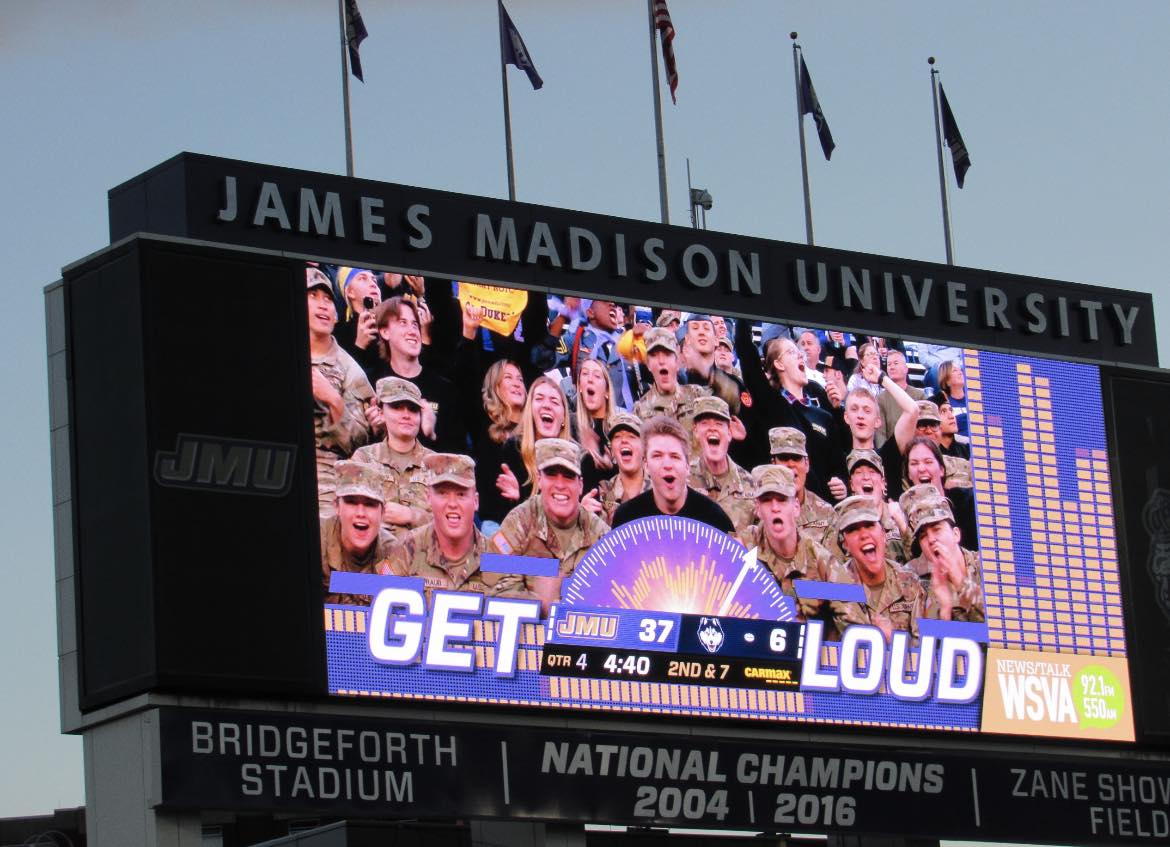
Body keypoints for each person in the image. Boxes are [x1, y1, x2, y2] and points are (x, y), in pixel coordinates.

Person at [379, 454, 525, 603]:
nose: (452, 504)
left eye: (461, 494)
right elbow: (383, 607)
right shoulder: (406, 549)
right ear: (428, 498)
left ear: (475, 502)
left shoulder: (498, 557)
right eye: (443, 494)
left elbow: (524, 611)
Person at [491, 438, 609, 612]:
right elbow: (496, 588)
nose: (560, 485)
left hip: (582, 633)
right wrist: (540, 606)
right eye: (551, 474)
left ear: (581, 485)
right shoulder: (519, 522)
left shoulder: (599, 534)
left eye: (569, 476)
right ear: (539, 480)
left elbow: (614, 595)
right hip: (530, 635)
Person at [737, 464, 851, 634]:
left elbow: (855, 626)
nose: (775, 508)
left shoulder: (822, 562)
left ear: (796, 507)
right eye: (767, 500)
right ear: (758, 509)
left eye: (782, 499)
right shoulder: (742, 549)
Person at [734, 322, 843, 499]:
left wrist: (842, 484)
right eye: (792, 352)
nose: (801, 355)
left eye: (799, 352)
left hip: (821, 513)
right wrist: (745, 314)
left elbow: (839, 463)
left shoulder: (824, 415)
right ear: (778, 364)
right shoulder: (772, 403)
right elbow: (746, 353)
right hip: (783, 502)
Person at [308, 267, 374, 516]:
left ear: (337, 314)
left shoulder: (350, 369)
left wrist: (334, 400)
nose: (322, 305)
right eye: (312, 296)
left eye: (327, 299)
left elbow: (358, 442)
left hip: (326, 477)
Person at [367, 296, 466, 453]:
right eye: (402, 323)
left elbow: (458, 455)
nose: (412, 331)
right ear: (385, 332)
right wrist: (375, 433)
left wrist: (431, 435)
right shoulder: (371, 384)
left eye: (415, 324)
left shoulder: (444, 389)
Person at [612, 416, 735, 533]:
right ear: (646, 465)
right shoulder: (627, 518)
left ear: (687, 466)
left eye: (675, 456)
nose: (667, 464)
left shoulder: (714, 518)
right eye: (657, 456)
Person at [831, 495, 925, 642]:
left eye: (869, 525)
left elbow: (925, 650)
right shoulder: (835, 587)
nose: (864, 534)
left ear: (883, 535)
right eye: (853, 529)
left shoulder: (910, 582)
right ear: (845, 545)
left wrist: (892, 641)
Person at [351, 377, 434, 539]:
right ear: (381, 412)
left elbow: (455, 523)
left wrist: (412, 516)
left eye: (413, 409)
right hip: (376, 556)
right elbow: (348, 513)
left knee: (494, 562)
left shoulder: (436, 463)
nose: (406, 415)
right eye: (396, 407)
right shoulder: (363, 459)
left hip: (425, 557)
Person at [899, 484, 985, 622]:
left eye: (937, 529)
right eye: (923, 536)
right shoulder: (913, 580)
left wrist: (961, 583)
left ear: (956, 534)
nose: (931, 539)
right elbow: (921, 639)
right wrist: (943, 611)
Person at [320, 461, 395, 605]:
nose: (361, 513)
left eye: (370, 504)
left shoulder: (393, 552)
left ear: (383, 512)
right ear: (336, 506)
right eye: (351, 502)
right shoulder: (317, 540)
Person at [471, 359, 529, 530]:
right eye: (508, 378)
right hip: (495, 524)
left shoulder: (536, 433)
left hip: (531, 524)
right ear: (495, 388)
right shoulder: (485, 430)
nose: (517, 383)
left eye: (520, 379)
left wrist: (520, 495)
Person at [688, 396, 756, 532]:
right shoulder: (684, 480)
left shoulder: (752, 485)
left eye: (719, 423)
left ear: (730, 433)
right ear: (695, 431)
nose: (712, 428)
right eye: (705, 423)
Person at [830, 449, 910, 564]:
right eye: (858, 472)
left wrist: (902, 526)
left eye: (872, 471)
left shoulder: (901, 514)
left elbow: (918, 560)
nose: (866, 477)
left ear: (883, 483)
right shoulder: (840, 522)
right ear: (851, 485)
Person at [902, 435, 979, 551]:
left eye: (928, 462)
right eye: (914, 463)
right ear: (908, 474)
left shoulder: (968, 501)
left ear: (942, 470)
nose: (921, 469)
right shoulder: (907, 517)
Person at [768, 427, 836, 549]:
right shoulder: (761, 510)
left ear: (807, 464)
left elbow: (835, 563)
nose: (791, 464)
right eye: (784, 458)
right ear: (773, 464)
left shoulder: (826, 513)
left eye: (796, 458)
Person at [633, 327, 710, 431]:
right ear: (648, 364)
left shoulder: (698, 395)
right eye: (654, 355)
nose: (661, 361)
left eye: (667, 354)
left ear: (677, 362)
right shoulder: (640, 409)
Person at [592, 413, 650, 525]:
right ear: (612, 451)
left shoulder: (659, 487)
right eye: (617, 437)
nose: (624, 440)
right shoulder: (605, 492)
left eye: (631, 436)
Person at [572, 358, 617, 494]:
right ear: (580, 387)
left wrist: (612, 467)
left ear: (607, 392)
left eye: (597, 376)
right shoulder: (570, 427)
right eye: (585, 374)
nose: (590, 379)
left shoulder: (619, 428)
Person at [332, 266, 383, 374]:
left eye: (374, 280)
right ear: (350, 292)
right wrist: (359, 346)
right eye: (362, 278)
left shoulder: (391, 323)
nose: (373, 284)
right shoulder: (338, 333)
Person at [876, 349, 925, 445]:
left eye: (895, 363)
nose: (891, 367)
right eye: (889, 364)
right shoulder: (880, 399)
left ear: (906, 369)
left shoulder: (920, 396)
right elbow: (880, 434)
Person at [937, 359, 969, 437]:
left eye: (960, 370)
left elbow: (996, 421)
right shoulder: (943, 404)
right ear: (946, 380)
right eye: (955, 370)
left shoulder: (976, 399)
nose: (960, 372)